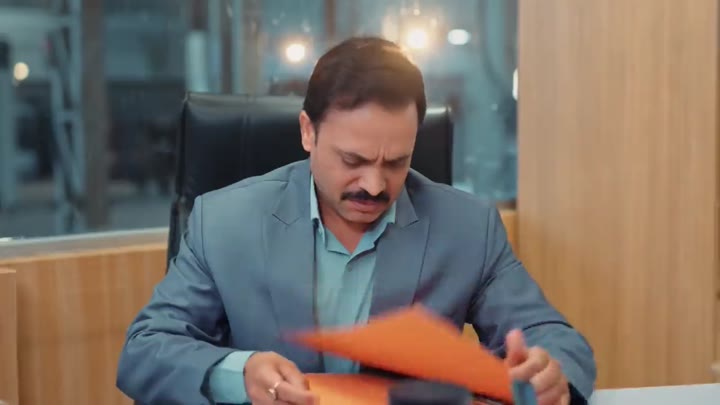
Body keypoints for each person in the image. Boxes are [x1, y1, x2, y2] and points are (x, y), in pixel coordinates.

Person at [117, 36, 596, 405]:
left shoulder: (468, 227)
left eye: (396, 162)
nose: (374, 185)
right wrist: (238, 374)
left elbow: (555, 338)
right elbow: (145, 349)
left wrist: (549, 373)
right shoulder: (224, 221)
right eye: (353, 160)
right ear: (308, 132)